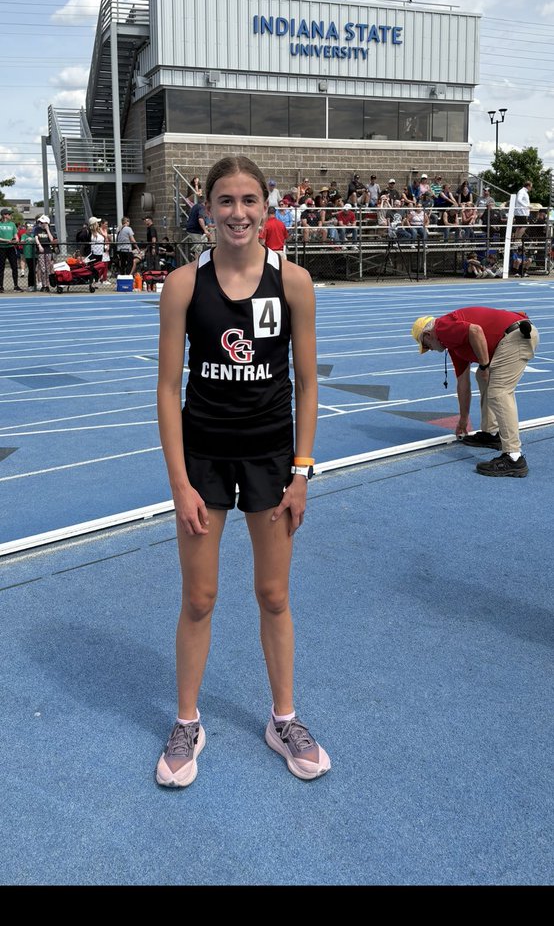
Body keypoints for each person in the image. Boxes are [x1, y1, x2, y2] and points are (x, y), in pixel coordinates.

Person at [156, 154, 330, 788]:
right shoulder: (183, 286)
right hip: (203, 459)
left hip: (271, 460)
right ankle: (187, 722)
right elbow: (167, 389)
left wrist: (302, 472)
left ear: (266, 207)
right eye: (225, 201)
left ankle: (284, 719)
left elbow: (307, 384)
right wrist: (180, 483)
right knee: (199, 598)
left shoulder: (294, 283)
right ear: (206, 209)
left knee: (274, 594)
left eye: (249, 200)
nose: (238, 212)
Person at [411, 307, 539, 478]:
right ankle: (491, 434)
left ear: (428, 335)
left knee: (500, 391)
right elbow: (463, 383)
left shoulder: (441, 328)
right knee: (483, 377)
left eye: (427, 346)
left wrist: (485, 366)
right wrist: (463, 420)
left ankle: (514, 457)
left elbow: (475, 330)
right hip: (512, 336)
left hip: (516, 336)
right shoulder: (453, 345)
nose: (431, 349)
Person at [0, 207, 23, 292]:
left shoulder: (12, 224)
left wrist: (16, 240)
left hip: (11, 248)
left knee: (14, 267)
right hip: (1, 248)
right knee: (1, 268)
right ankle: (1, 287)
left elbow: (16, 236)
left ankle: (16, 286)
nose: (10, 215)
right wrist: (7, 240)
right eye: (9, 214)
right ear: (4, 215)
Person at [33, 214, 56, 292]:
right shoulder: (37, 229)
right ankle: (44, 285)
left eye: (43, 222)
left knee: (48, 269)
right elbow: (36, 238)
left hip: (48, 250)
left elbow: (51, 239)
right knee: (43, 269)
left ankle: (47, 285)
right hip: (41, 251)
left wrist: (47, 229)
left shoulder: (49, 229)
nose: (41, 224)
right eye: (41, 222)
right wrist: (39, 246)